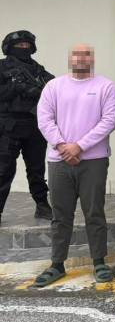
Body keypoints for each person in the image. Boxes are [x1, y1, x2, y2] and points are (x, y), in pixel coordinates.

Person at [33, 45, 115, 287]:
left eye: (86, 54)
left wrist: (79, 146)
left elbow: (109, 121)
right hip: (59, 160)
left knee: (94, 212)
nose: (81, 58)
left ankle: (99, 262)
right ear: (70, 58)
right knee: (60, 215)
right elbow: (44, 119)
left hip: (93, 160)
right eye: (77, 54)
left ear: (92, 59)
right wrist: (62, 146)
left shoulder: (105, 86)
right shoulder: (54, 87)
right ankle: (57, 264)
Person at [0, 30, 54, 224]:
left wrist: (36, 91)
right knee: (3, 170)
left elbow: (54, 88)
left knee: (37, 169)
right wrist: (14, 88)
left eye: (26, 45)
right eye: (19, 45)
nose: (23, 48)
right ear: (9, 48)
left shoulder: (38, 70)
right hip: (8, 127)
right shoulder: (2, 67)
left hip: (34, 125)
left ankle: (42, 204)